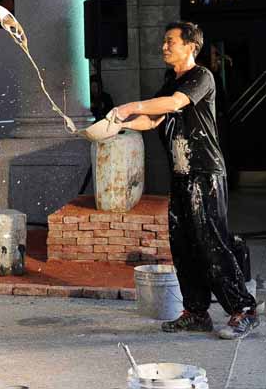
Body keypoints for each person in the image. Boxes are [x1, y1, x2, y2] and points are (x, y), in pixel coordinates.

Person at [110, 21, 259, 340]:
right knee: (184, 245)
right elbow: (152, 119)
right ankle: (196, 312)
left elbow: (175, 104)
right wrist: (110, 125)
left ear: (191, 46)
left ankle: (243, 310)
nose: (164, 46)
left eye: (170, 41)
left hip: (205, 173)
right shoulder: (169, 83)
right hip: (180, 175)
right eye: (164, 42)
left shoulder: (201, 77)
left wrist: (129, 106)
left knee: (211, 242)